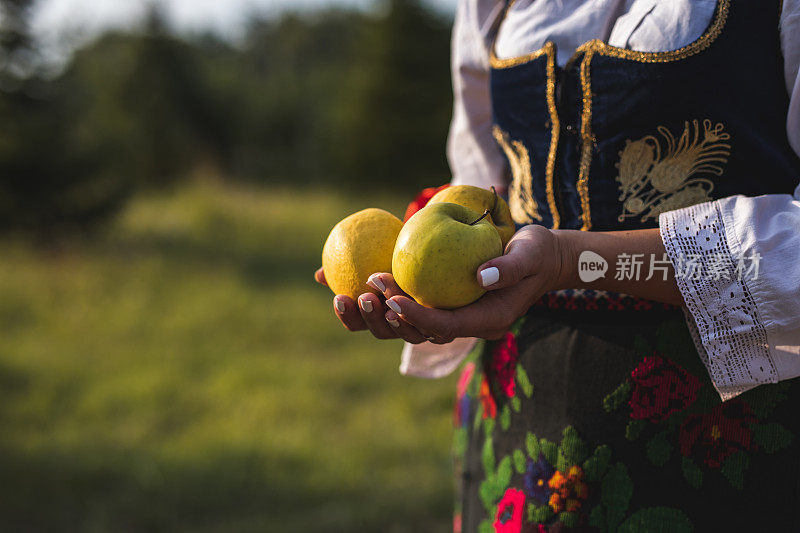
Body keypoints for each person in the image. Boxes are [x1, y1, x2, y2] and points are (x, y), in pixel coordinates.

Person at [315, 0, 800, 530]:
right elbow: (476, 186)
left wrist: (572, 259)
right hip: (516, 413)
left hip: (719, 428)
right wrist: (423, 277)